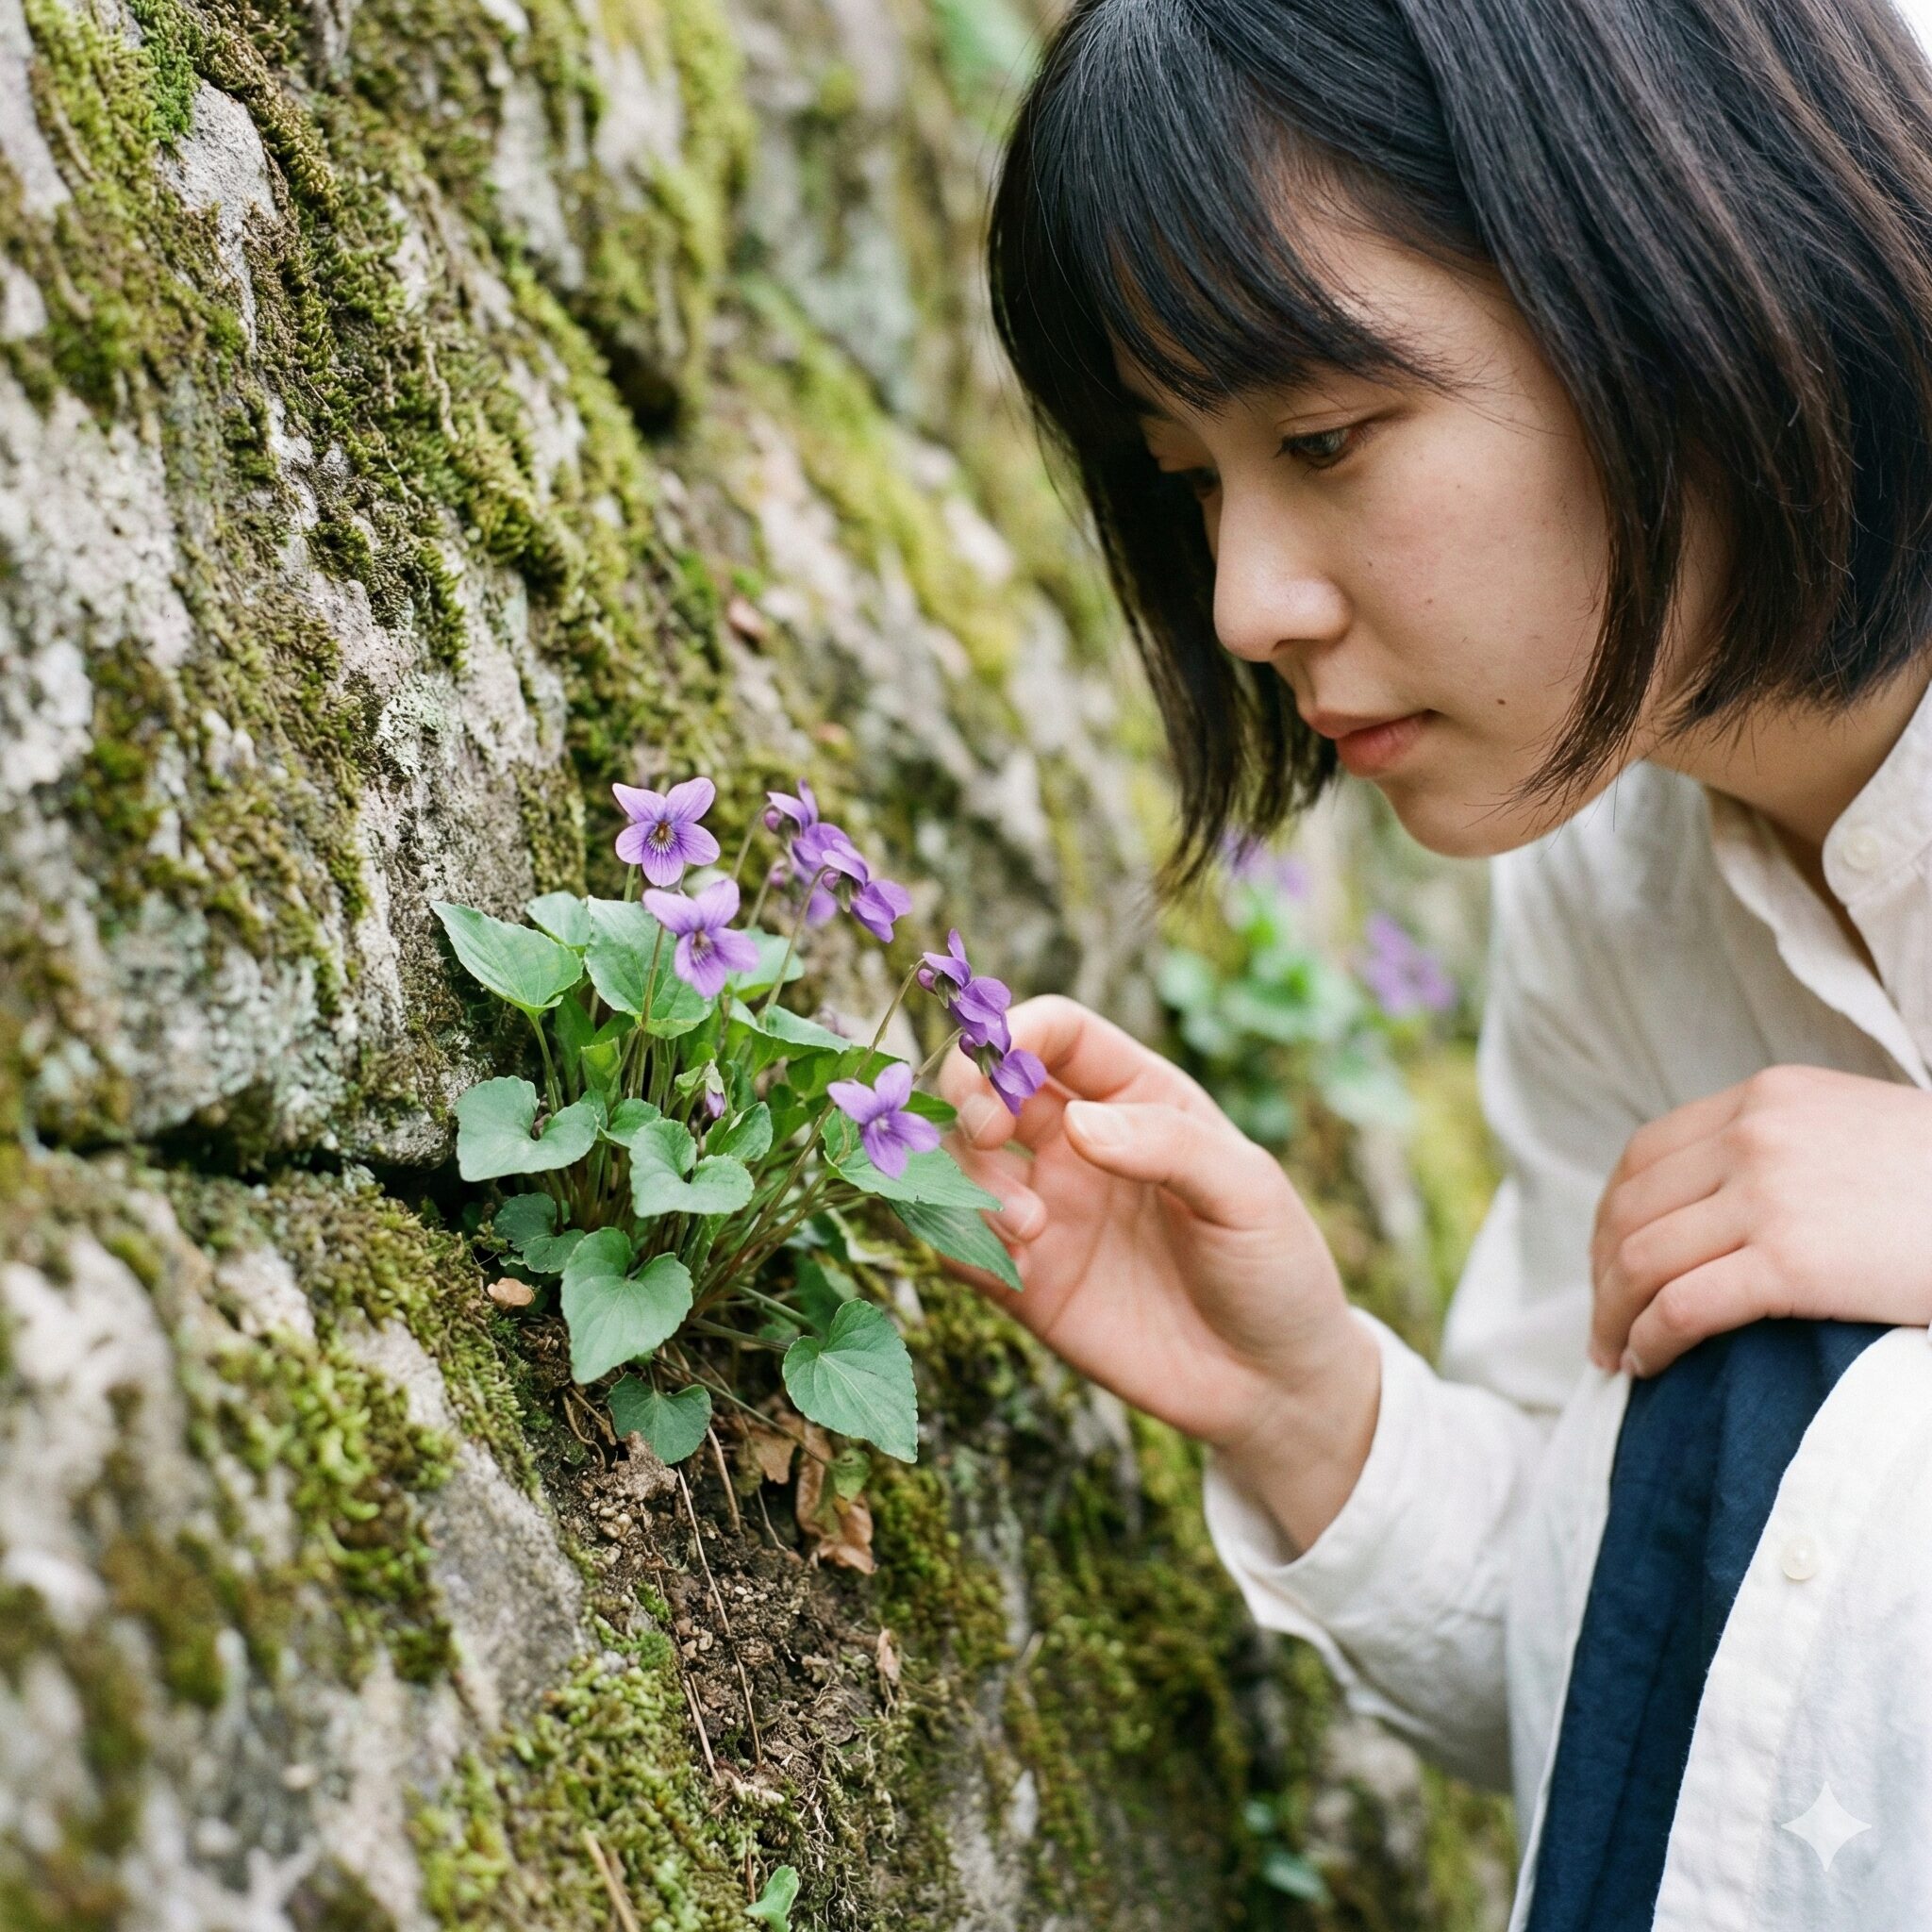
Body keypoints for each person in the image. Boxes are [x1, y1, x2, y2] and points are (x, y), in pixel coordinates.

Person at [936, 1, 1932, 1925]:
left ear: (1671, 257)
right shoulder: (1611, 895)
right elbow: (1676, 1676)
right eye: (1194, 480)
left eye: (1322, 437)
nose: (1244, 603)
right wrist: (1307, 1403)